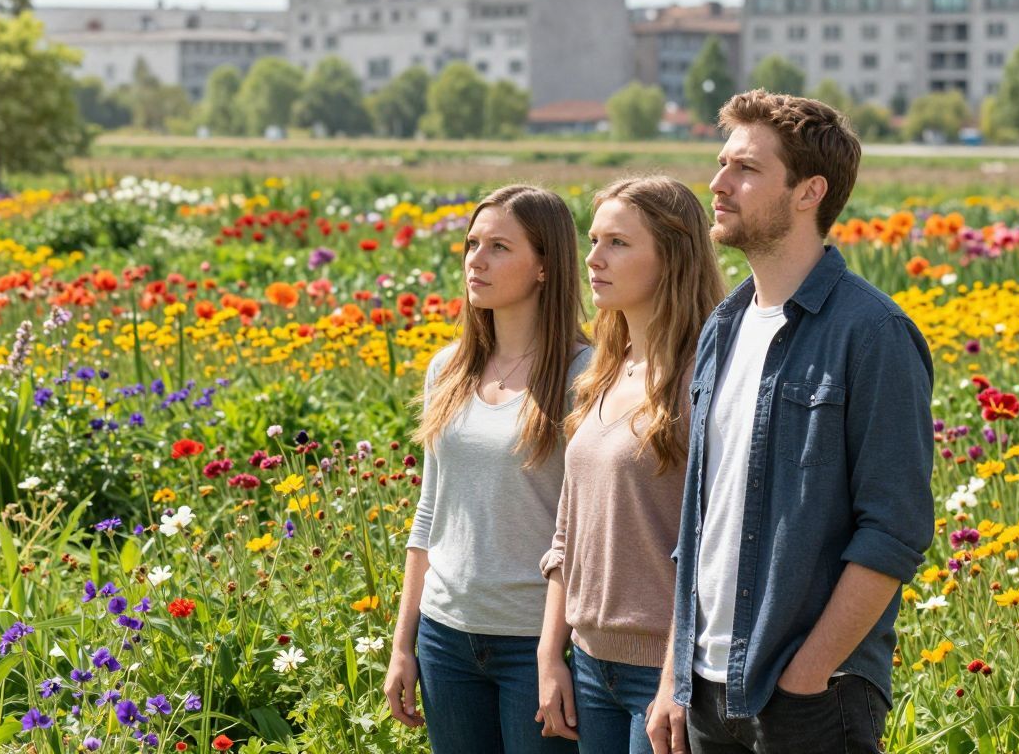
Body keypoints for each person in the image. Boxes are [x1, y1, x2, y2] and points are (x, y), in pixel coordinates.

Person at [644, 91, 935, 754]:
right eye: (721, 163)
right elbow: (700, 520)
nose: (717, 184)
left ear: (809, 192)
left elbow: (895, 530)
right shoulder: (723, 328)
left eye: (744, 168)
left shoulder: (873, 334)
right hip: (705, 689)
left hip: (808, 697)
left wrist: (806, 677)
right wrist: (673, 676)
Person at [384, 184, 592, 754]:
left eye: (499, 246)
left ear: (546, 265)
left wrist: (553, 653)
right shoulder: (446, 369)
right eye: (472, 244)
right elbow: (430, 511)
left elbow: (581, 530)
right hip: (445, 638)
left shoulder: (587, 374)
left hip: (535, 643)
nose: (476, 260)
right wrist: (404, 644)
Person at [536, 177, 726, 753]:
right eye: (593, 240)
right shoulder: (600, 372)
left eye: (617, 242)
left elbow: (713, 544)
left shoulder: (706, 379)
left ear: (672, 255)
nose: (593, 258)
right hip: (591, 666)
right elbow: (568, 529)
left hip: (665, 675)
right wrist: (552, 653)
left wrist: (674, 677)